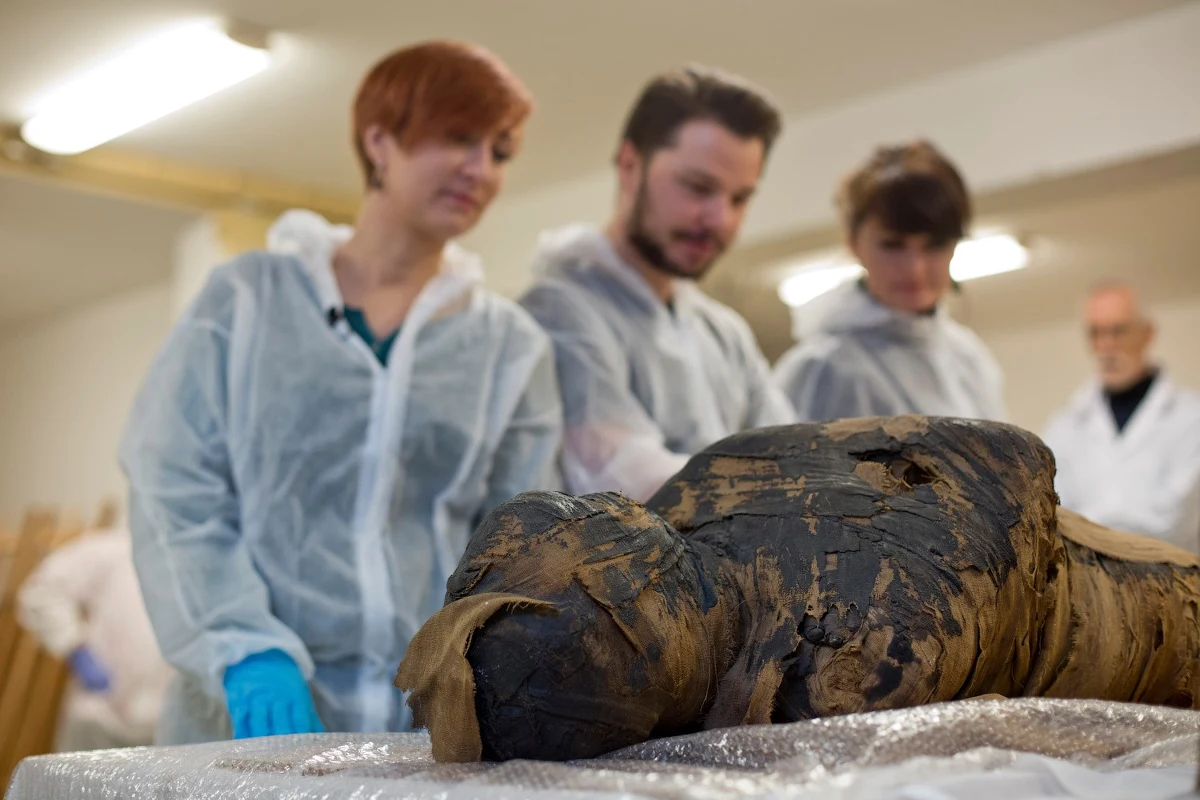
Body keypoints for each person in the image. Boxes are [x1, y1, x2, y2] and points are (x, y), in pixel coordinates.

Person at [118, 41, 562, 744]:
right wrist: (244, 649)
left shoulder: (509, 348)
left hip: (424, 732)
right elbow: (173, 488)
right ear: (379, 141)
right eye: (458, 138)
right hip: (240, 725)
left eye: (501, 151)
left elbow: (519, 544)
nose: (481, 169)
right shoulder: (248, 302)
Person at [520, 66, 795, 503]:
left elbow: (797, 461)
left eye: (740, 198)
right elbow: (630, 484)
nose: (721, 219)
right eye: (698, 187)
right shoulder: (559, 311)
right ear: (630, 165)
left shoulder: (724, 333)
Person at [773, 141, 1007, 423]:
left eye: (934, 245)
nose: (915, 269)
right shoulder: (820, 370)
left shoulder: (971, 362)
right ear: (853, 242)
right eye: (893, 245)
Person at [1043, 282, 1200, 553]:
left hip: (1171, 574)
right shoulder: (1064, 426)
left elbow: (1175, 520)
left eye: (1118, 331)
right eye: (1096, 333)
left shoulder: (1191, 417)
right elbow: (1051, 511)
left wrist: (1087, 528)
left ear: (1147, 334)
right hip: (1082, 577)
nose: (1106, 345)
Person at [16, 526, 173, 752]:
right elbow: (41, 593)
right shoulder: (112, 550)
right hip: (102, 713)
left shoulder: (203, 561)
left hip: (171, 720)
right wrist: (75, 647)